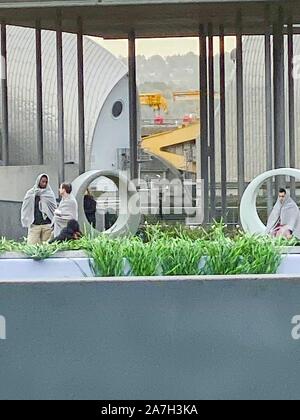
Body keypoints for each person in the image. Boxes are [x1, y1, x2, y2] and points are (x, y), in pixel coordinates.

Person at [21, 174, 57, 244]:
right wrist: (26, 219)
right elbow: (25, 207)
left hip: (47, 225)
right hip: (34, 225)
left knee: (47, 248)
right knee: (31, 247)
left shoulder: (49, 194)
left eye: (46, 182)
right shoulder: (30, 193)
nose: (44, 184)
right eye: (43, 181)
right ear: (38, 181)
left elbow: (53, 209)